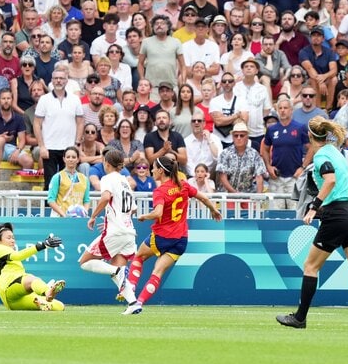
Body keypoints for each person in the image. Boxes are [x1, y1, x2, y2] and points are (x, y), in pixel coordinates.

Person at [276, 116, 348, 329]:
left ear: (310, 136)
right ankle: (300, 317)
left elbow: (330, 180)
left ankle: (300, 318)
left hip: (338, 214)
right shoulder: (336, 152)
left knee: (310, 266)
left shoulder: (321, 155)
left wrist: (314, 206)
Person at [122, 155, 222, 314]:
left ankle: (130, 288)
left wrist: (144, 216)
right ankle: (138, 303)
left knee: (139, 257)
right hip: (181, 239)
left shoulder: (160, 191)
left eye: (153, 167)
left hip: (163, 236)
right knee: (157, 272)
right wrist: (213, 209)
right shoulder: (183, 185)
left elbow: (158, 212)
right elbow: (202, 197)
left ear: (161, 171)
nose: (152, 170)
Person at [80, 149, 138, 307]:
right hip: (129, 232)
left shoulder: (107, 178)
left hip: (116, 231)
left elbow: (105, 197)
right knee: (114, 270)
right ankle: (133, 303)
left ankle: (119, 271)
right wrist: (109, 220)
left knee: (85, 262)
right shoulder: (126, 181)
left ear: (106, 163)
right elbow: (133, 208)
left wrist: (93, 216)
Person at [0, 222, 65, 311]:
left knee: (60, 306)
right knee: (31, 279)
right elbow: (18, 256)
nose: (12, 240)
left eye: (13, 238)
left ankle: (42, 303)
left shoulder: (8, 252)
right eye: (8, 238)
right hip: (9, 288)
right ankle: (47, 291)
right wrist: (43, 245)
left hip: (13, 303)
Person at [0, 88, 33, 180]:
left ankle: (20, 184)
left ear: (12, 100)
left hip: (11, 149)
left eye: (8, 98)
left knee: (29, 161)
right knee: (1, 140)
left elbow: (22, 140)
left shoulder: (19, 118)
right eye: (3, 99)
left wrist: (17, 151)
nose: (6, 101)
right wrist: (0, 137)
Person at [217, 121, 267, 194]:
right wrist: (234, 193)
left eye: (242, 135)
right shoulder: (225, 153)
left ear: (247, 137)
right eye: (236, 135)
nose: (239, 138)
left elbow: (259, 176)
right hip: (227, 195)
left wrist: (258, 198)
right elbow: (222, 176)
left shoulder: (254, 154)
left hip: (248, 194)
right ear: (232, 137)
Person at [47, 146, 90, 217]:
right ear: (64, 159)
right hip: (61, 218)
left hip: (78, 219)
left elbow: (86, 200)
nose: (71, 159)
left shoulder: (84, 179)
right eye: (68, 157)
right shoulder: (57, 177)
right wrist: (64, 215)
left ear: (78, 159)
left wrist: (84, 213)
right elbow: (51, 200)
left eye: (73, 157)